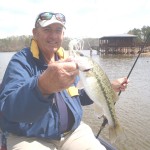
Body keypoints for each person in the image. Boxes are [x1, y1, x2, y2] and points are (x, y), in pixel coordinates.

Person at [0, 12, 128, 150]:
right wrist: (42, 86)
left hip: (72, 133)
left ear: (63, 35)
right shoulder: (20, 62)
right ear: (35, 33)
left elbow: (78, 96)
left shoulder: (66, 60)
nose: (54, 36)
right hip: (29, 136)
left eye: (58, 30)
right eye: (47, 30)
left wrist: (110, 87)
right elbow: (8, 108)